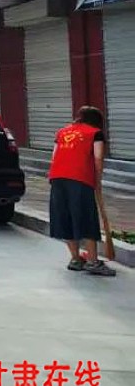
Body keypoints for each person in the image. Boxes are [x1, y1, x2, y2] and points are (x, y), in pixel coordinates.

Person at [48, 105, 115, 277]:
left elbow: (54, 156)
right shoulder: (95, 133)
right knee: (86, 217)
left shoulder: (62, 132)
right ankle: (92, 262)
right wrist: (97, 180)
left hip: (57, 177)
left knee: (65, 217)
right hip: (79, 178)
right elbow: (98, 158)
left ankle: (76, 259)